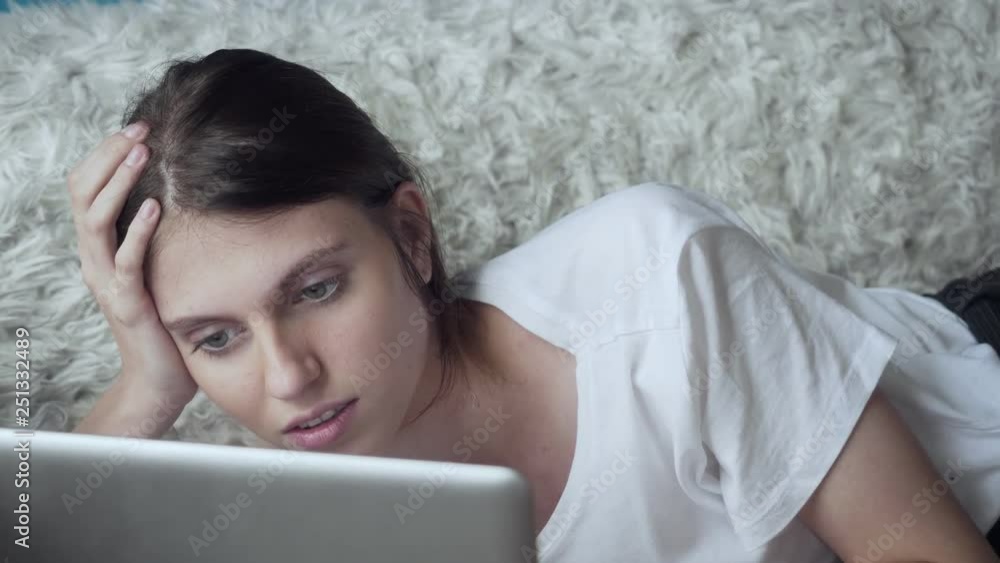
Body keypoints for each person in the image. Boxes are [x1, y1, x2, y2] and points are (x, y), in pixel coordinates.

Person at [69, 48, 1000, 563]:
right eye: (216, 338)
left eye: (316, 289)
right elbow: (34, 530)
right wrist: (147, 388)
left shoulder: (657, 274)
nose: (287, 377)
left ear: (411, 237)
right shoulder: (283, 519)